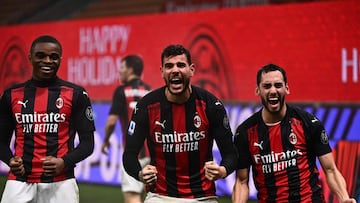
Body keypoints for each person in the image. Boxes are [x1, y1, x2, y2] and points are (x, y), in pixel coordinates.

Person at [122, 44, 237, 203]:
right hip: (160, 197)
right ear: (162, 71)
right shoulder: (146, 106)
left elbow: (231, 154)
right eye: (169, 66)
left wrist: (222, 171)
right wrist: (140, 174)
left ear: (192, 70)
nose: (175, 70)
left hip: (203, 197)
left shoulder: (210, 105)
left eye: (181, 65)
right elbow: (129, 155)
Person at [232, 64, 356, 203]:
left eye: (278, 85)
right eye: (267, 86)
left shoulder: (308, 123)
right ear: (257, 90)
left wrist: (344, 198)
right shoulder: (245, 132)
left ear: (287, 88)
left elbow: (330, 170)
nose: (273, 91)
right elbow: (242, 181)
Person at [0, 35, 95, 203]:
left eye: (54, 57)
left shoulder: (76, 94)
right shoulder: (11, 95)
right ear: (30, 58)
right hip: (19, 182)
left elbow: (88, 144)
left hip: (61, 183)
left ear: (60, 59)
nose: (48, 61)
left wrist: (64, 162)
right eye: (41, 55)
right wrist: (9, 159)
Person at [101, 55, 151, 203]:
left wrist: (106, 140)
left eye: (122, 68)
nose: (119, 72)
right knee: (150, 196)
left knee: (132, 195)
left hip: (133, 154)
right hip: (152, 153)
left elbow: (111, 122)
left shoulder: (121, 91)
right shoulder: (149, 90)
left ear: (130, 70)